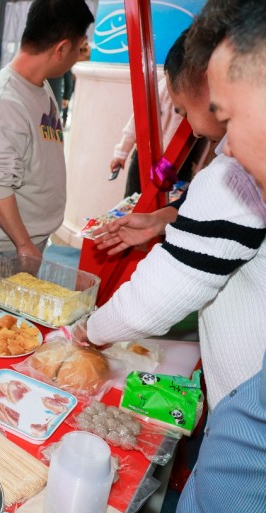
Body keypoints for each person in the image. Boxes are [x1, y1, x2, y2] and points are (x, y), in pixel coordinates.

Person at [73, 29, 265, 414]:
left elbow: (151, 302)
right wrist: (167, 219)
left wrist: (89, 331)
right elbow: (237, 229)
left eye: (183, 111)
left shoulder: (238, 169)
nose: (193, 129)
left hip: (248, 407)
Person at [166, 2, 266, 513]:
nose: (230, 148)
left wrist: (90, 329)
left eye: (227, 117)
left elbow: (166, 289)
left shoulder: (230, 173)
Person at [0, 0, 94, 302]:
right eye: (80, 48)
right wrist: (24, 245)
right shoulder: (3, 106)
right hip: (10, 247)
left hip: (27, 241)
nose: (80, 56)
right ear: (61, 48)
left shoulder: (37, 85)